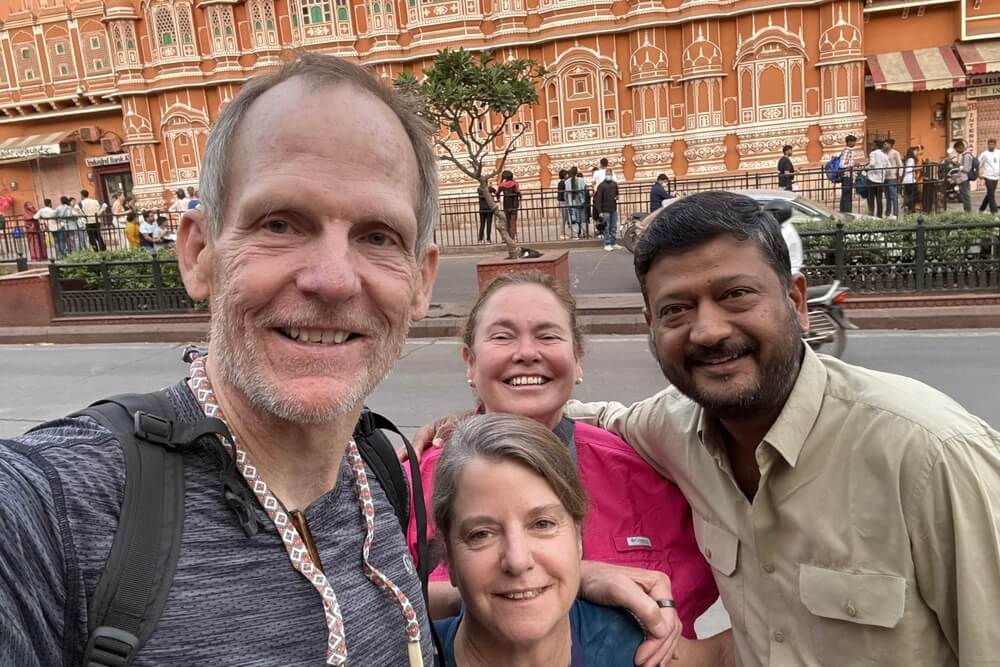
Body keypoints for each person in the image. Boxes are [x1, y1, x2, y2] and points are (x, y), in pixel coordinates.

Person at [563, 190, 1000, 664]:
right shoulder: (673, 428)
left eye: (735, 295)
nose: (707, 331)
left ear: (796, 301)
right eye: (676, 310)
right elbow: (601, 417)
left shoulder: (928, 454)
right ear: (651, 326)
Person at [407, 271, 722, 659]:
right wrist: (578, 579)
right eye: (502, 336)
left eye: (548, 335)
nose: (526, 352)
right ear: (470, 362)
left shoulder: (650, 472)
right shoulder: (408, 485)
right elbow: (364, 609)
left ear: (578, 359)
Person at [432, 413, 734, 667]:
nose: (518, 559)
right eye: (481, 534)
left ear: (578, 537)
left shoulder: (631, 647)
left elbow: (724, 655)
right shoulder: (404, 654)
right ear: (449, 557)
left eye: (542, 524)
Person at [594, 168, 620, 251]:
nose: (608, 175)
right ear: (605, 175)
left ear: (612, 175)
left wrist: (617, 197)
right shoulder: (601, 186)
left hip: (613, 208)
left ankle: (613, 242)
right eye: (607, 174)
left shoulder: (614, 184)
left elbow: (617, 194)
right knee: (607, 227)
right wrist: (600, 211)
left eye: (609, 174)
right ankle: (607, 243)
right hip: (605, 210)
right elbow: (598, 200)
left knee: (614, 227)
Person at [866, 140, 887, 218]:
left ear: (877, 146)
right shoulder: (884, 155)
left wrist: (866, 168)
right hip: (881, 179)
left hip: (872, 179)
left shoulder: (873, 153)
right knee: (879, 199)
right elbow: (888, 165)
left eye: (873, 145)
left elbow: (872, 164)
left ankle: (871, 214)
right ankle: (879, 215)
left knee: (871, 198)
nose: (871, 146)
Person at [978, 138, 1000, 214]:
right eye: (990, 144)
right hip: (988, 177)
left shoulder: (998, 152)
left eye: (993, 144)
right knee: (991, 195)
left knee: (990, 194)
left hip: (996, 177)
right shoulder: (984, 154)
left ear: (995, 145)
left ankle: (981, 209)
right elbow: (978, 163)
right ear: (987, 145)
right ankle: (994, 212)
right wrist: (979, 174)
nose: (991, 146)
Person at [952, 139, 974, 212]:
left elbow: (966, 169)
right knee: (964, 196)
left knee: (966, 196)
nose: (957, 151)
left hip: (965, 179)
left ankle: (968, 212)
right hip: (962, 178)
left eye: (957, 149)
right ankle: (967, 211)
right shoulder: (964, 155)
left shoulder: (967, 155)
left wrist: (958, 165)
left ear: (960, 147)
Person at [498, 170, 521, 240]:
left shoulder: (502, 185)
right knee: (513, 222)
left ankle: (508, 238)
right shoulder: (515, 183)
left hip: (506, 205)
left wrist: (498, 198)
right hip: (514, 205)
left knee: (507, 222)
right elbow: (518, 192)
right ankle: (513, 237)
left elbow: (497, 192)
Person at [565, 166, 587, 238]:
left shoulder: (567, 182)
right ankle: (584, 233)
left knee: (574, 218)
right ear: (577, 172)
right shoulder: (581, 180)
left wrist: (567, 202)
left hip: (572, 201)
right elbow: (584, 189)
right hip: (580, 201)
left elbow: (566, 193)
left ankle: (576, 235)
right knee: (582, 217)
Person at [838, 134, 857, 213]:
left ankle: (843, 210)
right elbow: (843, 164)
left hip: (846, 174)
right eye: (853, 142)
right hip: (847, 174)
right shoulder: (848, 151)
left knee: (846, 193)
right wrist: (852, 166)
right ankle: (847, 211)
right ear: (849, 142)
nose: (854, 144)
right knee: (847, 194)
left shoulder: (845, 150)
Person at [884, 138, 902, 217]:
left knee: (893, 196)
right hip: (885, 177)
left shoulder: (895, 153)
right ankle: (888, 212)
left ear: (890, 144)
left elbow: (900, 164)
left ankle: (895, 213)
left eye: (886, 144)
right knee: (887, 196)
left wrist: (900, 175)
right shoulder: (883, 153)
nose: (884, 145)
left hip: (892, 177)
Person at [902, 146, 918, 214]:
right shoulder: (911, 159)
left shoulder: (908, 159)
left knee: (907, 194)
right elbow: (908, 169)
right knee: (912, 195)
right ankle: (911, 209)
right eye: (915, 151)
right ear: (912, 152)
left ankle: (907, 207)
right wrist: (917, 169)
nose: (916, 152)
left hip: (906, 180)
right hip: (910, 180)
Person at [556, 168, 571, 239]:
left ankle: (563, 232)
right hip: (563, 202)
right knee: (563, 218)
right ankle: (562, 233)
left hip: (561, 202)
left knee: (564, 218)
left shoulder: (561, 183)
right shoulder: (563, 183)